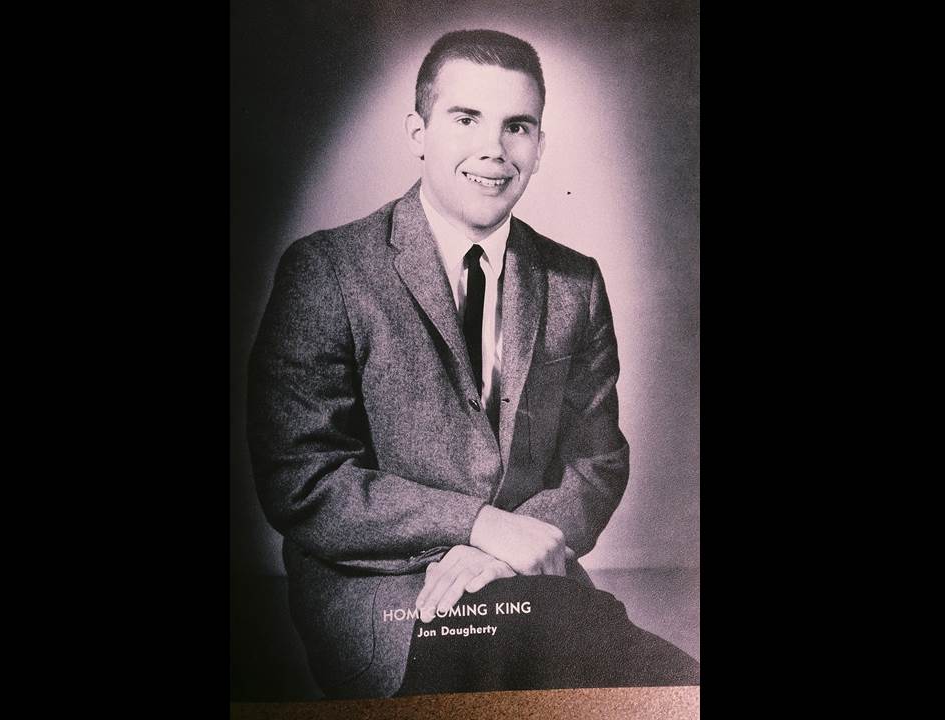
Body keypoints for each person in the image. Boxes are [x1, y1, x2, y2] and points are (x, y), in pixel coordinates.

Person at [247, 29, 698, 699]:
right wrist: (479, 525)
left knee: (655, 680)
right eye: (466, 119)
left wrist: (505, 549)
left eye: (517, 126)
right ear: (418, 131)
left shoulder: (575, 282)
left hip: (529, 588)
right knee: (563, 654)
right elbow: (301, 479)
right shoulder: (328, 270)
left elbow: (597, 461)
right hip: (390, 598)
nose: (494, 149)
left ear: (539, 146)